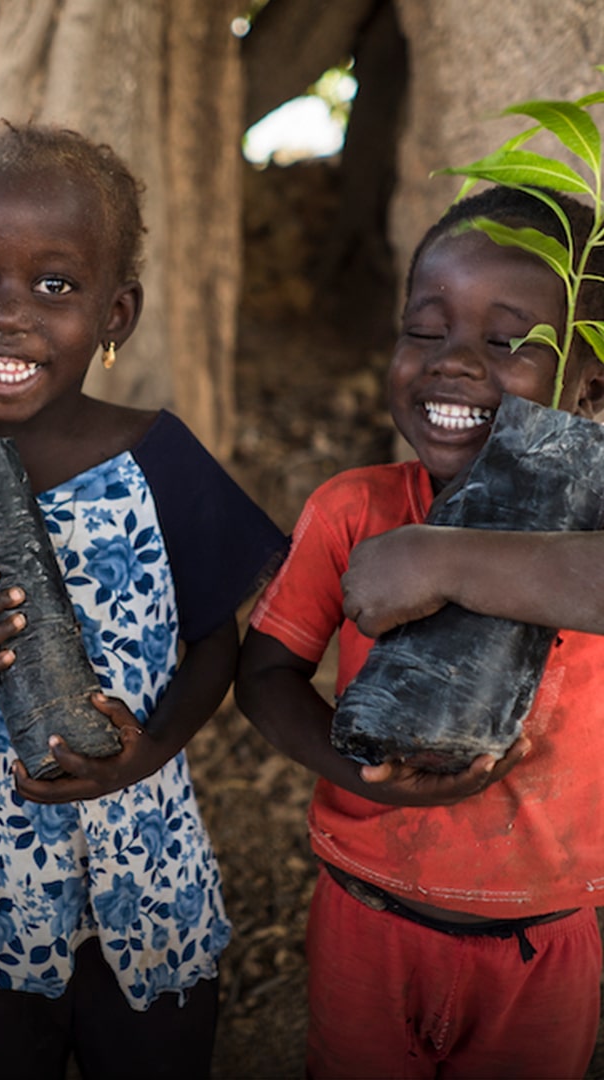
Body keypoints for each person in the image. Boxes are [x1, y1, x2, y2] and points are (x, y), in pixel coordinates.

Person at [0, 122, 287, 1079]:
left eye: (55, 286)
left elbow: (218, 644)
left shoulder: (160, 458)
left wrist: (147, 754)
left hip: (153, 873)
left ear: (116, 313)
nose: (10, 316)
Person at [237, 184, 604, 1079]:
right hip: (368, 916)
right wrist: (356, 771)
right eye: (425, 329)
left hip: (545, 941)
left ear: (591, 386)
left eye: (508, 341)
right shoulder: (353, 508)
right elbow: (265, 675)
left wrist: (440, 562)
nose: (453, 362)